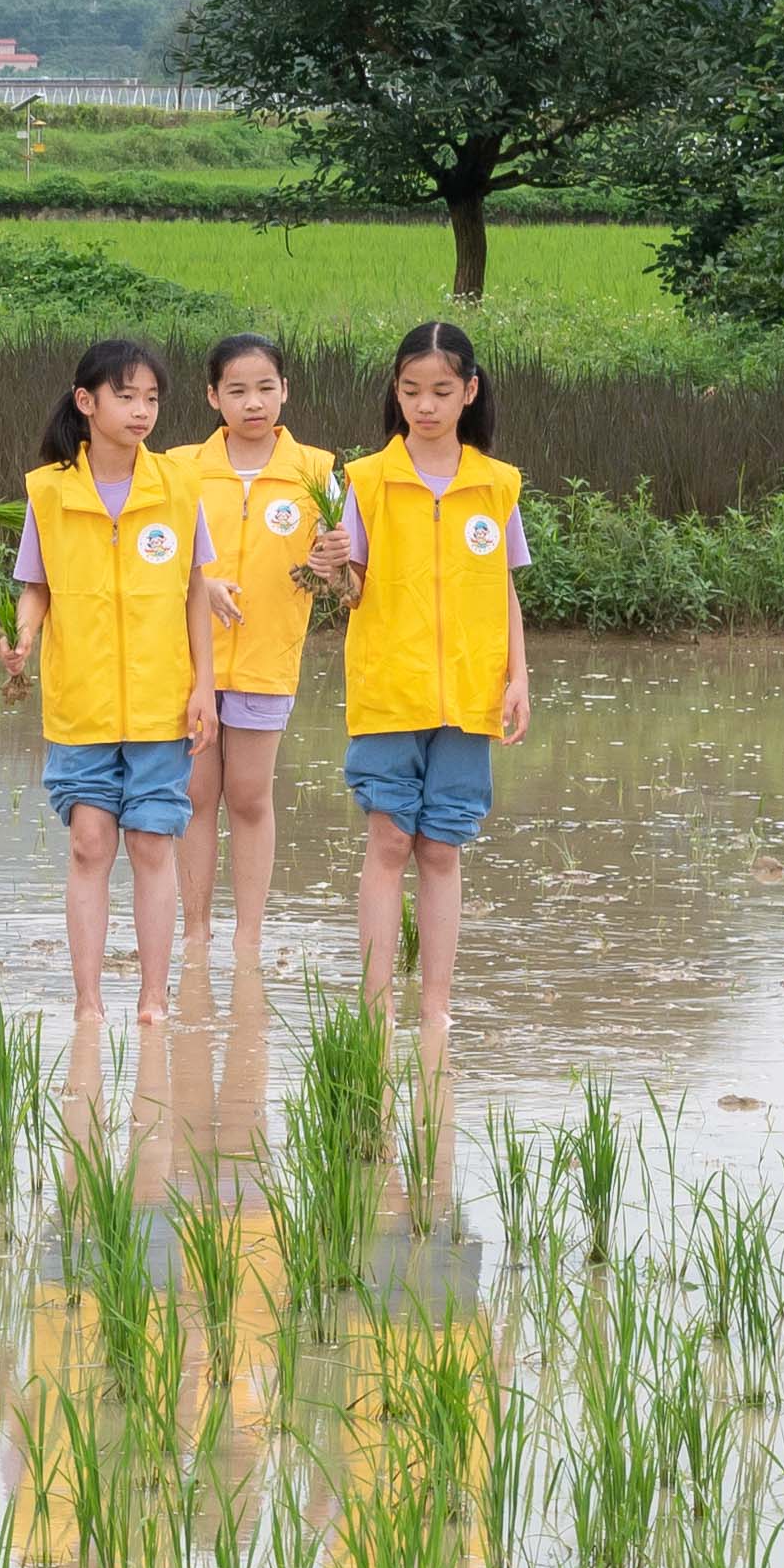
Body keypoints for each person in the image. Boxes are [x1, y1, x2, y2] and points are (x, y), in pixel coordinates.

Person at [316, 319, 529, 1046]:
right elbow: (351, 589)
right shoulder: (367, 481)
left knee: (441, 848)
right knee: (387, 839)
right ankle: (374, 1007)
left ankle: (435, 1006)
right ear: (395, 395)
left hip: (469, 692)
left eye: (441, 390)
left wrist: (517, 678)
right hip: (388, 689)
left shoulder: (495, 486)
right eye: (410, 391)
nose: (425, 404)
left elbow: (502, 589)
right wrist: (331, 565)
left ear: (469, 392)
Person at [4, 337, 218, 1025]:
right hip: (81, 698)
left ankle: (153, 1000)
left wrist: (202, 687)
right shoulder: (48, 491)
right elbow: (33, 585)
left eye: (150, 398)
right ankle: (89, 1004)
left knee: (152, 841)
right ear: (85, 402)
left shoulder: (180, 487)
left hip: (162, 699)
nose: (140, 410)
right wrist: (25, 634)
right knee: (88, 842)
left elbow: (193, 590)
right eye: (124, 396)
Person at [179, 334, 335, 993]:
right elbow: (146, 558)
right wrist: (198, 585)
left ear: (285, 391)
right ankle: (192, 931)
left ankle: (247, 935)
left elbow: (340, 582)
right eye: (236, 390)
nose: (252, 402)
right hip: (187, 666)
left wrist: (335, 570)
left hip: (267, 660)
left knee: (247, 796)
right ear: (212, 396)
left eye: (264, 387)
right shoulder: (177, 469)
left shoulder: (316, 474)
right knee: (192, 797)